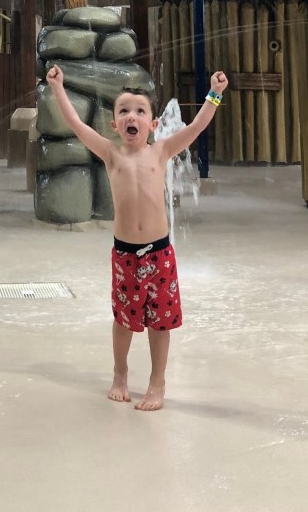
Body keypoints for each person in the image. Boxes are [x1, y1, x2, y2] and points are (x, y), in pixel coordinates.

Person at [45, 64, 230, 411]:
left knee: (161, 324)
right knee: (123, 321)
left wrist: (214, 94)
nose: (132, 116)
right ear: (115, 125)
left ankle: (157, 382)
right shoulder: (110, 153)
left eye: (140, 111)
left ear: (153, 124)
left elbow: (196, 126)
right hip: (125, 255)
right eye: (124, 111)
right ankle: (120, 373)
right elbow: (76, 124)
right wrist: (58, 88)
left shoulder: (161, 151)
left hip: (159, 254)